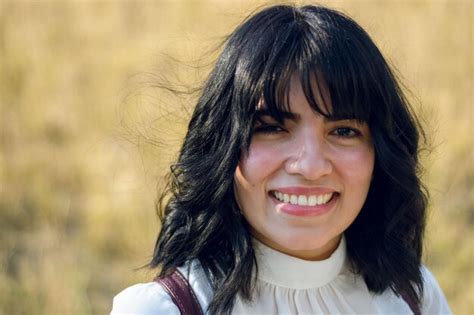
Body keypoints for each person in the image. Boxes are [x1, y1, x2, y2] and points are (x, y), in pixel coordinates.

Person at [111, 4, 451, 314]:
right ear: (222, 145)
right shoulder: (163, 309)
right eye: (272, 128)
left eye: (344, 131)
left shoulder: (412, 296)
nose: (310, 166)